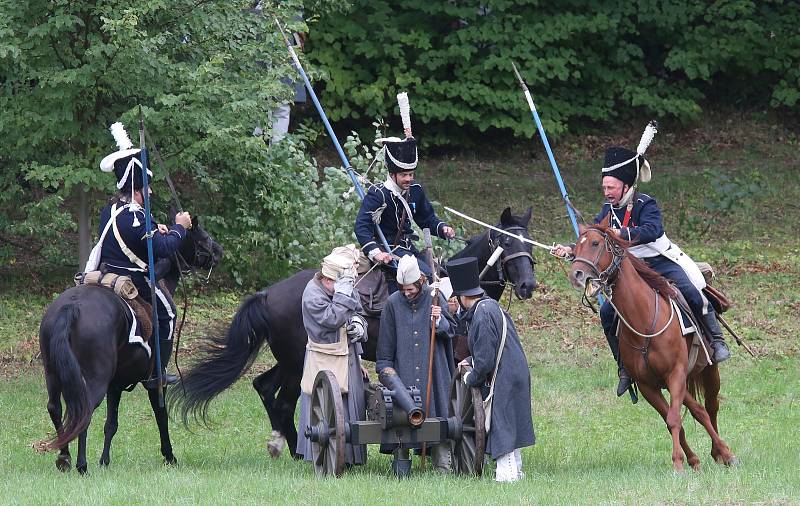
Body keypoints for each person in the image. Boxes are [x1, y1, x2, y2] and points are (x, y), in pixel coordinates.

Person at [552, 125, 731, 398]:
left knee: (692, 292)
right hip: (630, 268)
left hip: (660, 260)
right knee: (607, 313)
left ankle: (716, 341)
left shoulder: (646, 203)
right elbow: (594, 241)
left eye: (611, 187)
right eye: (604, 187)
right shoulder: (607, 210)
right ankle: (624, 367)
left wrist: (621, 233)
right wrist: (571, 251)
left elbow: (652, 231)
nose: (607, 192)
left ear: (625, 185)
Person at [87, 122, 192, 389]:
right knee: (168, 312)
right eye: (146, 188)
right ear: (136, 190)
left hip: (106, 270)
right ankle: (158, 373)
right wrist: (180, 227)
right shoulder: (134, 216)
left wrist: (156, 227)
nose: (150, 192)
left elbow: (137, 235)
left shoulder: (111, 209)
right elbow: (163, 249)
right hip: (131, 277)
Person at [354, 97, 455, 293]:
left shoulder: (415, 191)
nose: (408, 178)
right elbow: (362, 227)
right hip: (389, 250)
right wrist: (376, 253)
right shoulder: (379, 195)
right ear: (392, 174)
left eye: (411, 174)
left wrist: (443, 228)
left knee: (445, 277)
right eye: (403, 174)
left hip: (409, 249)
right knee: (425, 281)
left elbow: (426, 218)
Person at [447, 256, 535, 483]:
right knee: (508, 422)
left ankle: (507, 477)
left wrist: (469, 377)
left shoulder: (482, 314)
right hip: (513, 370)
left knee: (501, 424)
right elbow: (488, 349)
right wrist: (469, 359)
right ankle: (516, 471)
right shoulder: (490, 306)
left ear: (462, 296)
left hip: (504, 374)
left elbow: (485, 361)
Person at [375, 255, 455, 471]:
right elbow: (385, 348)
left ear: (420, 281)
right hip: (404, 371)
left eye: (410, 289)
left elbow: (452, 331)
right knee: (402, 415)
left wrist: (439, 321)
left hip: (434, 371)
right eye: (403, 289)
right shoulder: (393, 303)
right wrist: (387, 372)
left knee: (438, 413)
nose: (406, 293)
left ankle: (442, 463)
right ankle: (401, 458)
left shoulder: (435, 297)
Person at [296, 245, 368, 466]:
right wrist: (344, 295)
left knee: (350, 407)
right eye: (340, 283)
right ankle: (321, 453)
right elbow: (331, 319)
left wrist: (358, 324)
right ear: (328, 278)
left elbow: (357, 311)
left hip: (348, 355)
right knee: (326, 406)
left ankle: (350, 456)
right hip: (324, 357)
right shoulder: (312, 294)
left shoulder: (344, 287)